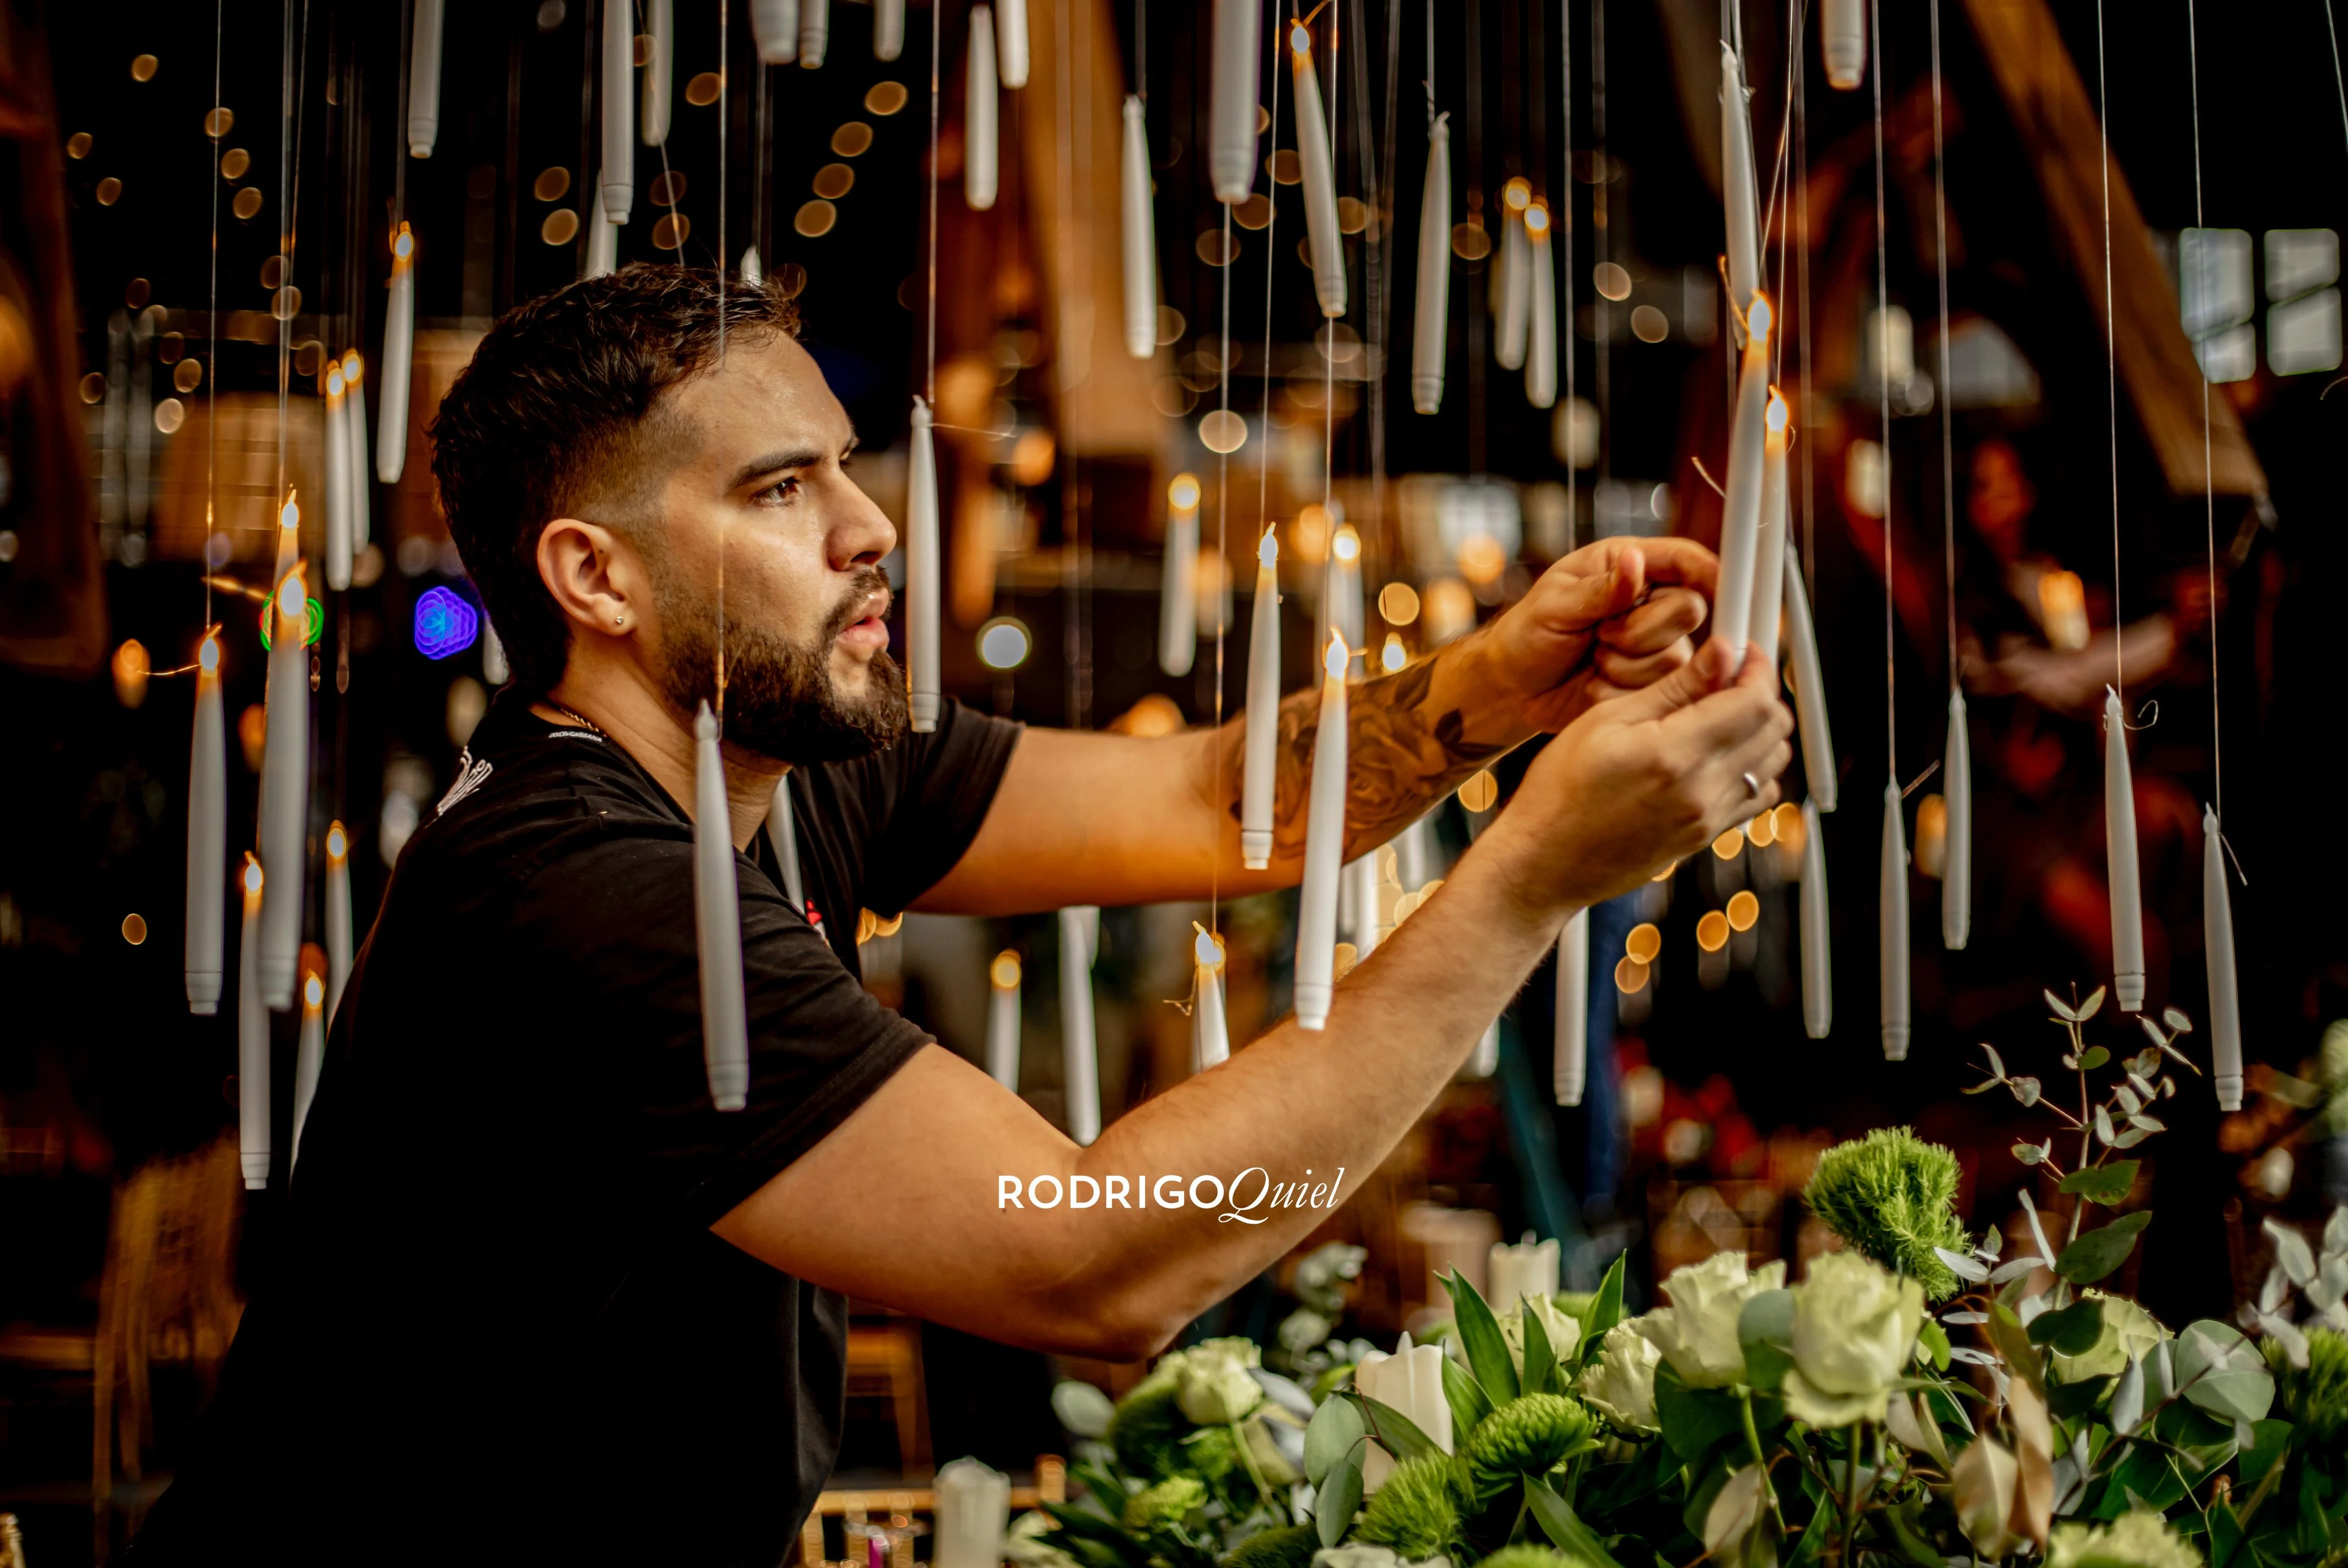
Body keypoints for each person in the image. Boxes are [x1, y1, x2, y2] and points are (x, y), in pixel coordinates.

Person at [128, 266, 1790, 1565]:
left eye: (843, 472)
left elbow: (1214, 801)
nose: (872, 532)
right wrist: (1528, 882)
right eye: (782, 493)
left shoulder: (787, 761)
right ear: (595, 578)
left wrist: (1484, 695)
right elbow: (1094, 1260)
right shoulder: (584, 887)